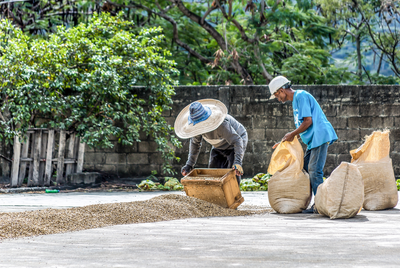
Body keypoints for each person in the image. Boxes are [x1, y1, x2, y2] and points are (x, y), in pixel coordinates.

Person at [269, 76, 338, 213]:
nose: (278, 98)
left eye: (277, 95)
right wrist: (286, 140)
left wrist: (292, 134)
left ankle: (321, 205)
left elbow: (308, 122)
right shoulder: (295, 101)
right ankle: (312, 202)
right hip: (313, 139)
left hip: (320, 135)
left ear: (282, 90)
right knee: (305, 167)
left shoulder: (301, 96)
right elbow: (303, 126)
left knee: (314, 169)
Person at [174, 99, 248, 185]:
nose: (200, 128)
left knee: (232, 174)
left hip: (236, 142)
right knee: (212, 173)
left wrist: (237, 162)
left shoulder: (221, 125)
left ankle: (234, 197)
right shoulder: (196, 129)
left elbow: (237, 141)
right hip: (219, 145)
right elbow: (195, 144)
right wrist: (189, 165)